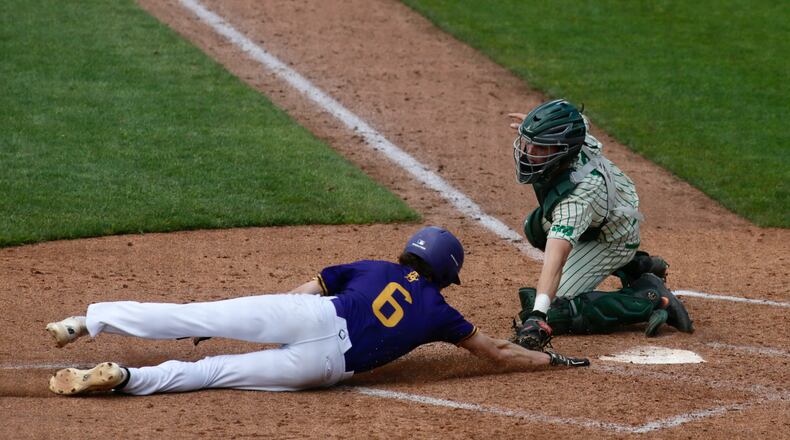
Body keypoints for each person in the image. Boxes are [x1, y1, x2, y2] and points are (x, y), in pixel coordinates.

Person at [46, 226, 589, 396]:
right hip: (327, 370)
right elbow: (493, 351)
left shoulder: (376, 267)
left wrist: (256, 314)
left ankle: (87, 321)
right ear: (447, 272)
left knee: (199, 316)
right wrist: (548, 362)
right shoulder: (442, 313)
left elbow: (307, 289)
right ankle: (127, 379)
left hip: (310, 316)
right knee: (214, 375)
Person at [506, 99, 694, 352]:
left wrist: (538, 315)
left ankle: (647, 298)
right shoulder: (576, 138)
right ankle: (638, 266)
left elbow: (555, 259)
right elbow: (577, 120)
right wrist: (540, 126)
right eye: (530, 144)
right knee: (535, 228)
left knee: (556, 311)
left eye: (540, 147)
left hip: (614, 238)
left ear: (562, 150)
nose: (529, 152)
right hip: (603, 216)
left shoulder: (578, 199)